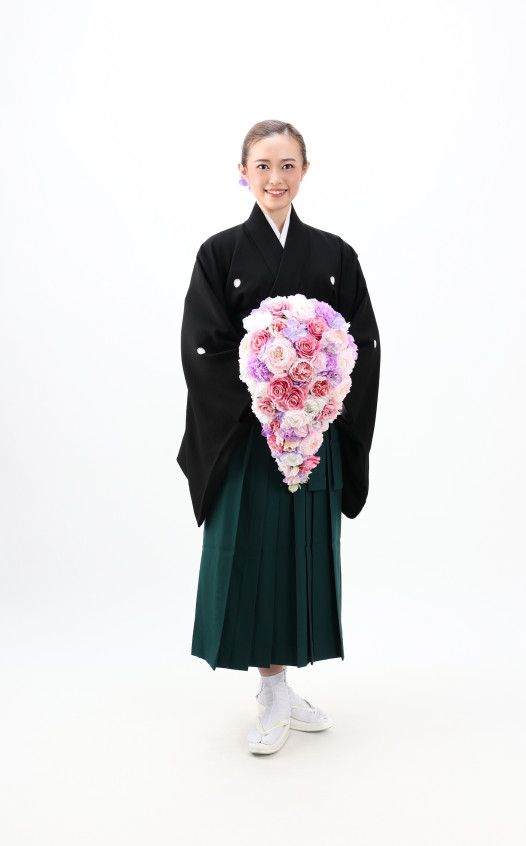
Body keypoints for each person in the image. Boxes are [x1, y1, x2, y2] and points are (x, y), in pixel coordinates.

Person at [177, 119, 381, 755]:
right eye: (263, 166)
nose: (275, 178)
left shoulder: (335, 254)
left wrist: (319, 393)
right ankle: (270, 691)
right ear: (243, 173)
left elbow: (361, 342)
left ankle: (284, 687)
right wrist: (268, 394)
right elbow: (204, 345)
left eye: (288, 165)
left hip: (313, 433)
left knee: (302, 553)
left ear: (305, 172)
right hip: (248, 433)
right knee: (253, 552)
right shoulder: (219, 253)